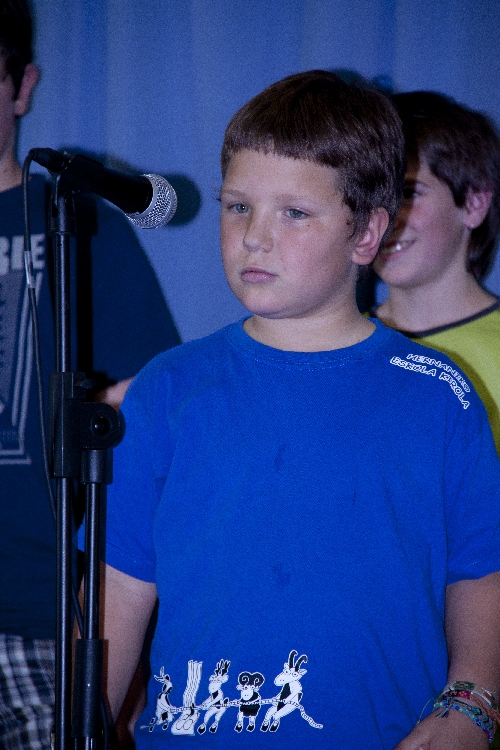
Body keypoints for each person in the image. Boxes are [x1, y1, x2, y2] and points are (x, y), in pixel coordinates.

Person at [93, 70, 500, 749]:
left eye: (294, 213)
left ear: (367, 233)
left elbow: (480, 572)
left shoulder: (439, 393)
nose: (254, 237)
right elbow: (118, 584)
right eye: (237, 207)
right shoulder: (168, 388)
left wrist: (473, 705)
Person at [0, 2, 181, 748]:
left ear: (23, 86)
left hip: (43, 618)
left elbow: (147, 411)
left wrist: (122, 630)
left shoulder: (78, 220)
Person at [372, 90, 500, 450]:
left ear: (473, 203)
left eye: (409, 193)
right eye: (376, 197)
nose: (387, 219)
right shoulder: (338, 343)